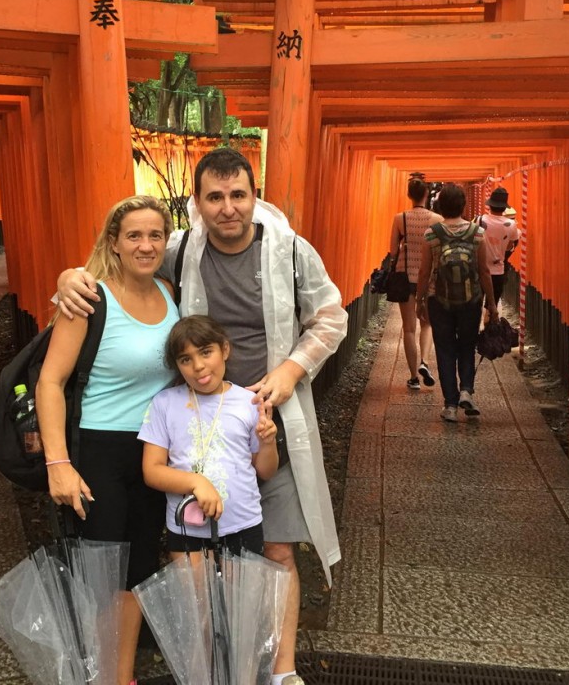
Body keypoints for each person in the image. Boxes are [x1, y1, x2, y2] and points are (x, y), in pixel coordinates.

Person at [55, 147, 348, 685]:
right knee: (192, 556)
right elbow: (123, 258)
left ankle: (281, 671)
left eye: (238, 195)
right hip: (194, 428)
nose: (228, 208)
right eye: (215, 197)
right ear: (198, 203)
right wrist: (71, 278)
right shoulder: (180, 248)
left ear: (255, 197)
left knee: (277, 547)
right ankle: (212, 666)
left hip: (266, 421)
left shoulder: (290, 252)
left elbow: (332, 317)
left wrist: (290, 370)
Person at [37, 195, 179, 685]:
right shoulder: (90, 298)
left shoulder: (170, 291)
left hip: (152, 452)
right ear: (114, 243)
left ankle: (121, 677)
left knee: (140, 567)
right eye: (134, 236)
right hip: (100, 450)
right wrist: (58, 462)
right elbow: (50, 382)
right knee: (100, 576)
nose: (146, 244)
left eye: (155, 235)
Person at [140, 315, 279, 560]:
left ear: (224, 349)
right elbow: (152, 470)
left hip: (242, 522)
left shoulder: (249, 402)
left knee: (241, 597)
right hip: (186, 525)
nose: (198, 366)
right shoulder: (165, 403)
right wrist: (196, 483)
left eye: (206, 352)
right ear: (177, 365)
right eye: (186, 359)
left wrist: (268, 443)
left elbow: (265, 471)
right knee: (195, 598)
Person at [415, 183, 496, 422]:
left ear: (440, 205)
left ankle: (450, 404)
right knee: (467, 345)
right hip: (471, 299)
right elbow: (484, 271)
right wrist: (490, 303)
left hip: (438, 300)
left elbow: (423, 272)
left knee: (445, 348)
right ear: (463, 205)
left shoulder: (432, 234)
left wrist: (419, 301)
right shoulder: (477, 233)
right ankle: (466, 391)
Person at [390, 178, 442, 390]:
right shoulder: (437, 219)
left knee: (409, 328)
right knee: (427, 323)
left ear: (409, 195)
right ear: (427, 194)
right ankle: (425, 362)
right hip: (428, 277)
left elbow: (393, 251)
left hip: (405, 277)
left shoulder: (399, 218)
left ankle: (413, 377)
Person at [478, 187, 521, 310]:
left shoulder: (479, 220)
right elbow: (509, 247)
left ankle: (475, 327)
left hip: (479, 269)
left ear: (490, 205)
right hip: (498, 270)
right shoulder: (511, 225)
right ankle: (489, 327)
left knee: (476, 304)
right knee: (492, 305)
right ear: (504, 208)